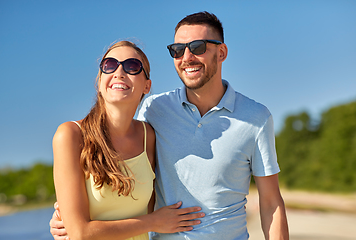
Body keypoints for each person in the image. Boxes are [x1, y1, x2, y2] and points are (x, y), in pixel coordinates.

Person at [51, 12, 289, 239]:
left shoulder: (256, 118)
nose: (187, 58)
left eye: (198, 47)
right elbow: (119, 178)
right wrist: (67, 217)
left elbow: (270, 203)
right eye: (178, 50)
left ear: (222, 52)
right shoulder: (154, 111)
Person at [51, 40, 205, 240]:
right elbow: (80, 233)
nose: (119, 72)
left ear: (147, 86)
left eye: (132, 66)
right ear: (99, 82)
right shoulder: (71, 135)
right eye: (109, 65)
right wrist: (154, 222)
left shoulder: (147, 136)